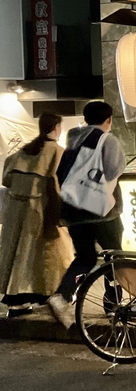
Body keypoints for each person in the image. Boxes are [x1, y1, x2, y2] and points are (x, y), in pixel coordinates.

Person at [47, 101, 126, 328]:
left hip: (75, 212)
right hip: (103, 212)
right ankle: (114, 307)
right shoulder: (107, 140)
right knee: (116, 258)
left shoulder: (72, 141)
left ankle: (62, 296)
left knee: (85, 257)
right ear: (108, 119)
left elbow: (62, 174)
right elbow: (113, 170)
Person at [0, 112, 72, 314]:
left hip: (16, 210)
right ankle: (47, 295)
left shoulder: (24, 151)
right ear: (56, 127)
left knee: (18, 254)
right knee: (48, 254)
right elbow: (62, 184)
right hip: (40, 209)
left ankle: (15, 298)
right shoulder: (57, 151)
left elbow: (6, 179)